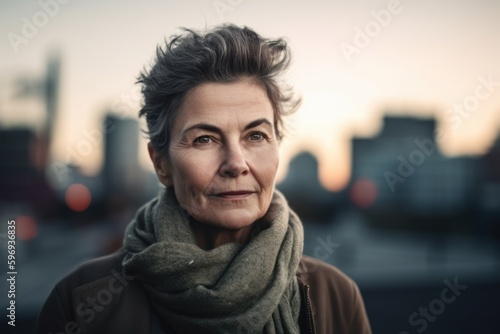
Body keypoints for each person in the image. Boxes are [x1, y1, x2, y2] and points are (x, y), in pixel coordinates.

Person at [36, 24, 372, 334]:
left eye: (255, 136)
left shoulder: (335, 297)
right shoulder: (80, 304)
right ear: (161, 164)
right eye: (204, 139)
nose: (236, 163)